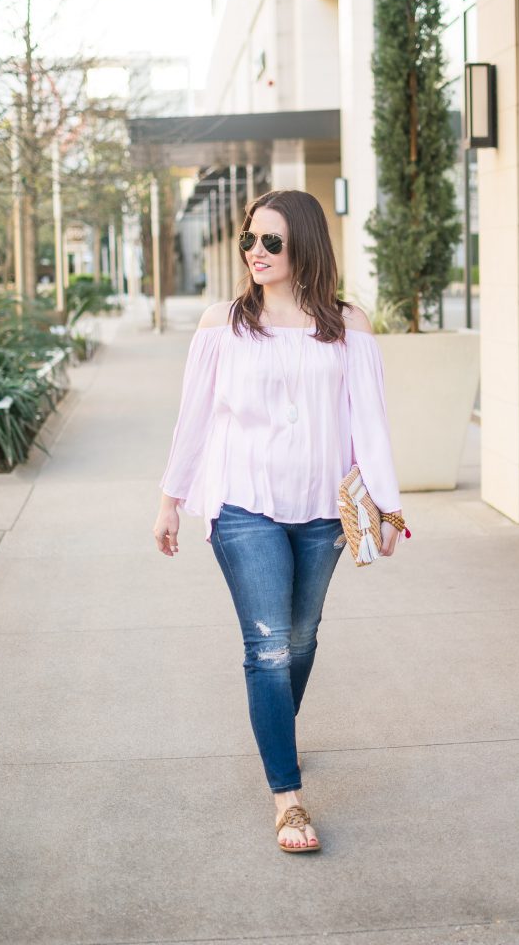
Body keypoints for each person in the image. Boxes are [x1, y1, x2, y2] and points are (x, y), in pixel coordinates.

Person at [153, 189, 406, 854]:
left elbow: (369, 424)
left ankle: (275, 728)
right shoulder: (221, 324)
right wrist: (170, 499)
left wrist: (387, 503)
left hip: (323, 511)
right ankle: (288, 801)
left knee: (299, 639)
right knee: (266, 647)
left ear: (305, 247)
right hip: (243, 506)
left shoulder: (348, 326)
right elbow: (194, 419)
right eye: (248, 240)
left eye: (271, 242)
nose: (255, 253)